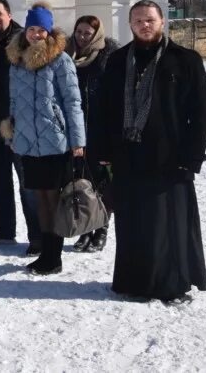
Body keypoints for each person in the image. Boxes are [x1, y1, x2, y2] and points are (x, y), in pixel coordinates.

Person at [97, 0, 206, 303]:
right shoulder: (119, 60)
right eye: (137, 21)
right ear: (130, 25)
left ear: (162, 22)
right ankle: (134, 282)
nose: (144, 25)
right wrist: (104, 151)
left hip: (170, 158)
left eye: (149, 20)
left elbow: (201, 113)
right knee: (133, 222)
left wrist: (192, 157)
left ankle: (171, 285)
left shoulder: (184, 60)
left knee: (168, 224)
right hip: (128, 155)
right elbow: (104, 109)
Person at [1, 2, 85, 275]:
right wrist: (11, 130)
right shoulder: (17, 62)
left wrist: (77, 140)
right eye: (32, 29)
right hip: (27, 141)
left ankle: (53, 256)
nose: (36, 34)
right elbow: (13, 101)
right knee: (40, 199)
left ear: (49, 32)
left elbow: (73, 102)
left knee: (53, 198)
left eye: (41, 30)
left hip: (55, 140)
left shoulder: (61, 60)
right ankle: (47, 253)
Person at [0, 0, 42, 255]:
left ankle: (37, 235)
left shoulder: (23, 41)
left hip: (20, 122)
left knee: (27, 182)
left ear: (9, 14)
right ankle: (3, 229)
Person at [66, 14, 120, 253]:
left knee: (101, 183)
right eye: (79, 32)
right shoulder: (68, 57)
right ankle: (86, 228)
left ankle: (102, 229)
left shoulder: (109, 58)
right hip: (77, 131)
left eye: (87, 33)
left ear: (96, 35)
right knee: (81, 182)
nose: (81, 37)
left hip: (101, 130)